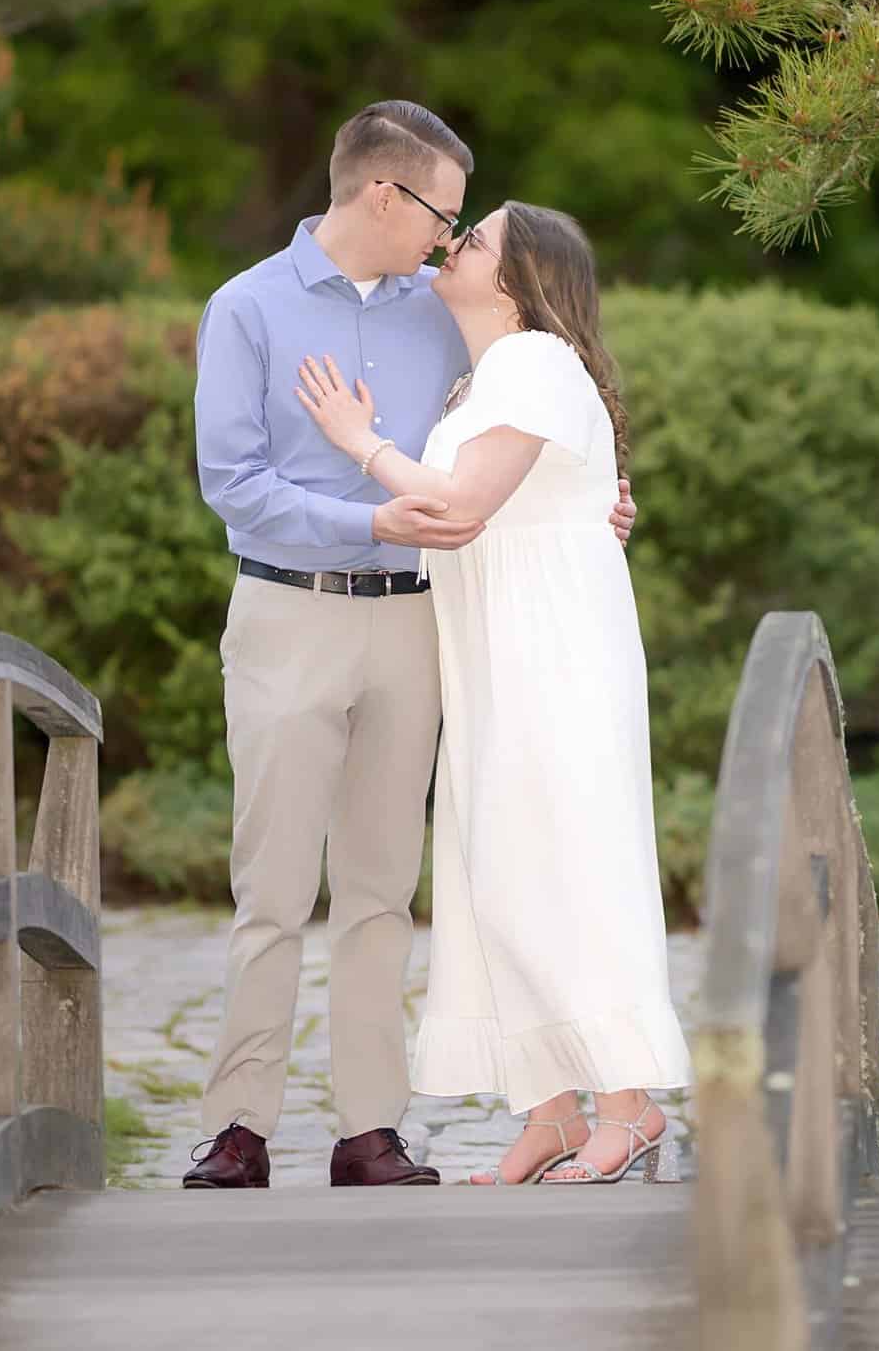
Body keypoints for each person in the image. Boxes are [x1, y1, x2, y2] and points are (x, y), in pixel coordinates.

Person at [185, 101, 638, 1190]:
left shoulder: (448, 316)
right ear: (383, 193)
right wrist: (366, 519)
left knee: (384, 890)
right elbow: (233, 485)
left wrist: (587, 508)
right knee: (274, 890)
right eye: (443, 211)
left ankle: (369, 1129)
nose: (452, 237)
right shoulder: (245, 308)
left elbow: (515, 438)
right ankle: (240, 1126)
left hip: (417, 624)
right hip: (288, 613)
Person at [296, 199, 690, 1186]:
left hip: (552, 656)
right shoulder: (488, 379)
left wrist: (359, 441)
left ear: (516, 282)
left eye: (474, 240)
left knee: (562, 860)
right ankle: (550, 1108)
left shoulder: (533, 365)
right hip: (496, 652)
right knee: (494, 871)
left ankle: (629, 1105)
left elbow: (463, 510)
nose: (453, 244)